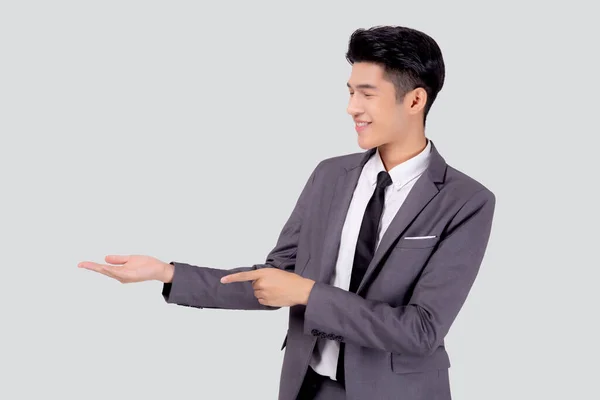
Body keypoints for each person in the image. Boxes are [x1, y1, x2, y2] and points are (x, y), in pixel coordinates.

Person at [78, 25, 496, 400]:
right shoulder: (330, 175)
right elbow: (275, 278)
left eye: (367, 93)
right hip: (308, 386)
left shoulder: (466, 200)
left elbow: (421, 330)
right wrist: (167, 273)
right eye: (350, 92)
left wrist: (308, 294)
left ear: (415, 100)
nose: (352, 107)